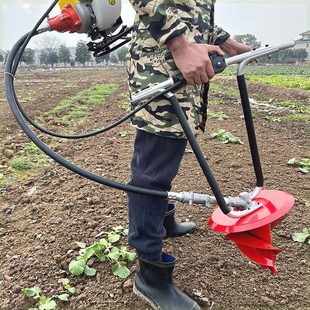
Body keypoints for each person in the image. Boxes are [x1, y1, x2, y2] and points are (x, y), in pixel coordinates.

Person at [126, 1, 252, 309]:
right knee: (152, 171)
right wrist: (180, 43)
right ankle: (150, 273)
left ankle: (163, 221)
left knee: (167, 158)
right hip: (161, 66)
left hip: (182, 63)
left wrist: (223, 39)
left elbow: (189, 7)